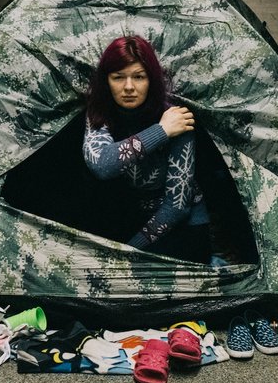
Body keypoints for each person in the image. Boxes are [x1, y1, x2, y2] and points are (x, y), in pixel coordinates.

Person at [82, 35, 210, 263]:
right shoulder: (99, 111)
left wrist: (130, 250)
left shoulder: (176, 117)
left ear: (151, 80)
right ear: (106, 80)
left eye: (139, 77)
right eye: (118, 77)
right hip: (132, 213)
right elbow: (101, 164)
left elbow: (177, 206)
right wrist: (161, 132)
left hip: (183, 223)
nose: (129, 87)